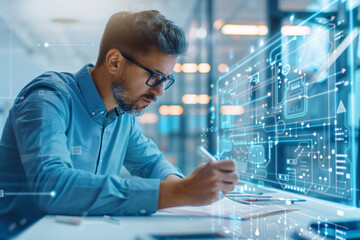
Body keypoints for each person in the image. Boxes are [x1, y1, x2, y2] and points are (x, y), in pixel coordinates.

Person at [0, 10, 238, 228]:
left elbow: (150, 163)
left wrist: (189, 185)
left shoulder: (122, 114)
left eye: (166, 79)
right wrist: (179, 192)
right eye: (154, 76)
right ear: (114, 61)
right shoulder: (47, 98)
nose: (160, 91)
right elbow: (53, 187)